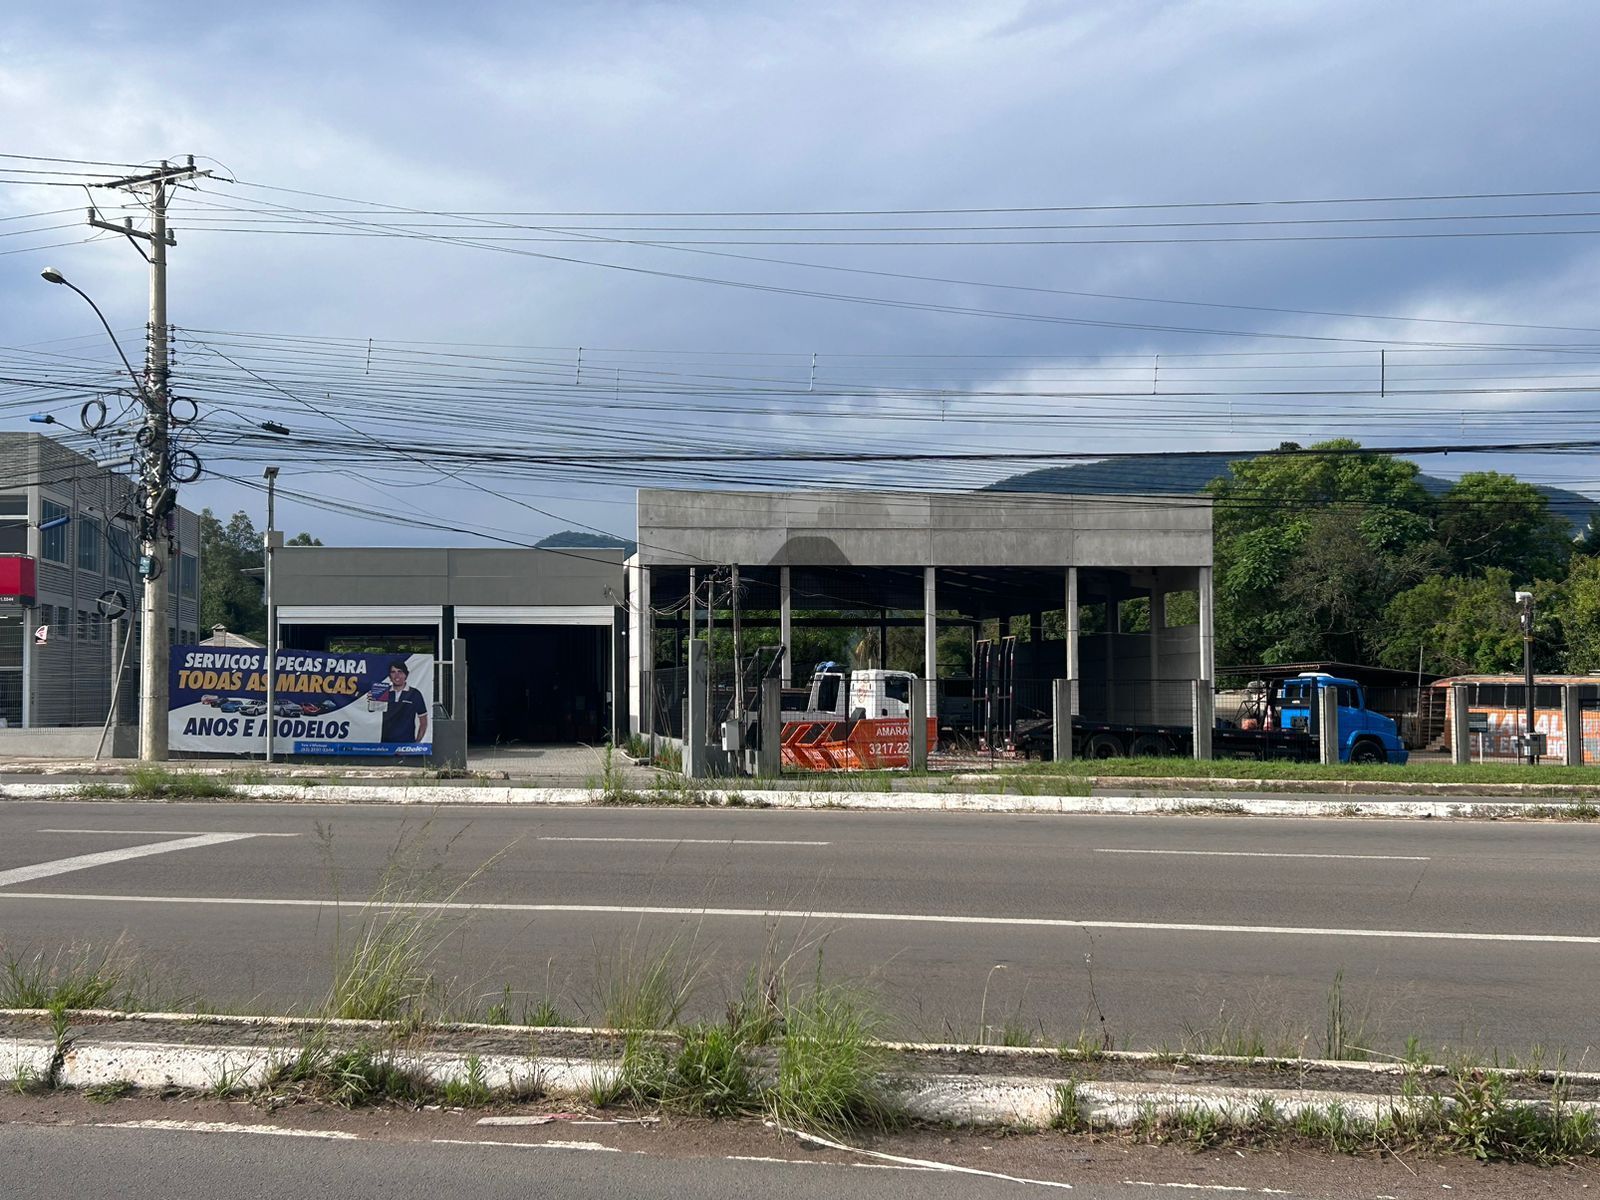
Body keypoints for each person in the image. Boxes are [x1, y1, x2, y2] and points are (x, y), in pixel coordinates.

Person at [378, 660, 429, 743]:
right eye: (393, 672)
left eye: (400, 671)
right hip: (385, 746)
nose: (396, 675)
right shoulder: (383, 692)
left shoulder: (415, 694)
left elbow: (423, 722)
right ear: (389, 676)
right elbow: (372, 714)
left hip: (406, 745)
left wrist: (416, 743)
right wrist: (371, 700)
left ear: (406, 674)